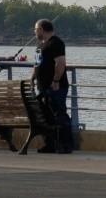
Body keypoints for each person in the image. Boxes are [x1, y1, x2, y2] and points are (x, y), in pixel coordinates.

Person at [31, 18, 74, 154]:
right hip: (42, 87)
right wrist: (32, 78)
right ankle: (50, 144)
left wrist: (56, 81)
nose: (35, 32)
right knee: (45, 117)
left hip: (56, 87)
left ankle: (65, 144)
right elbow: (37, 65)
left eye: (36, 29)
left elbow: (60, 63)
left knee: (59, 115)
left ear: (42, 29)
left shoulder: (56, 43)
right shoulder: (40, 46)